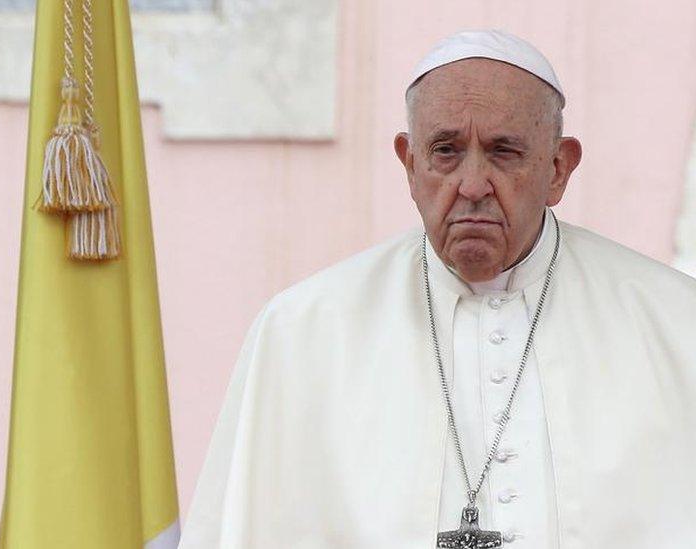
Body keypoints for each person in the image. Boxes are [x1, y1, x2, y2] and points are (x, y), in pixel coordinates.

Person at [178, 30, 696, 548]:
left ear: (558, 168)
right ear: (409, 163)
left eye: (504, 151)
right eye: (445, 151)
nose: (472, 185)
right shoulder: (302, 331)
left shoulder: (675, 323)